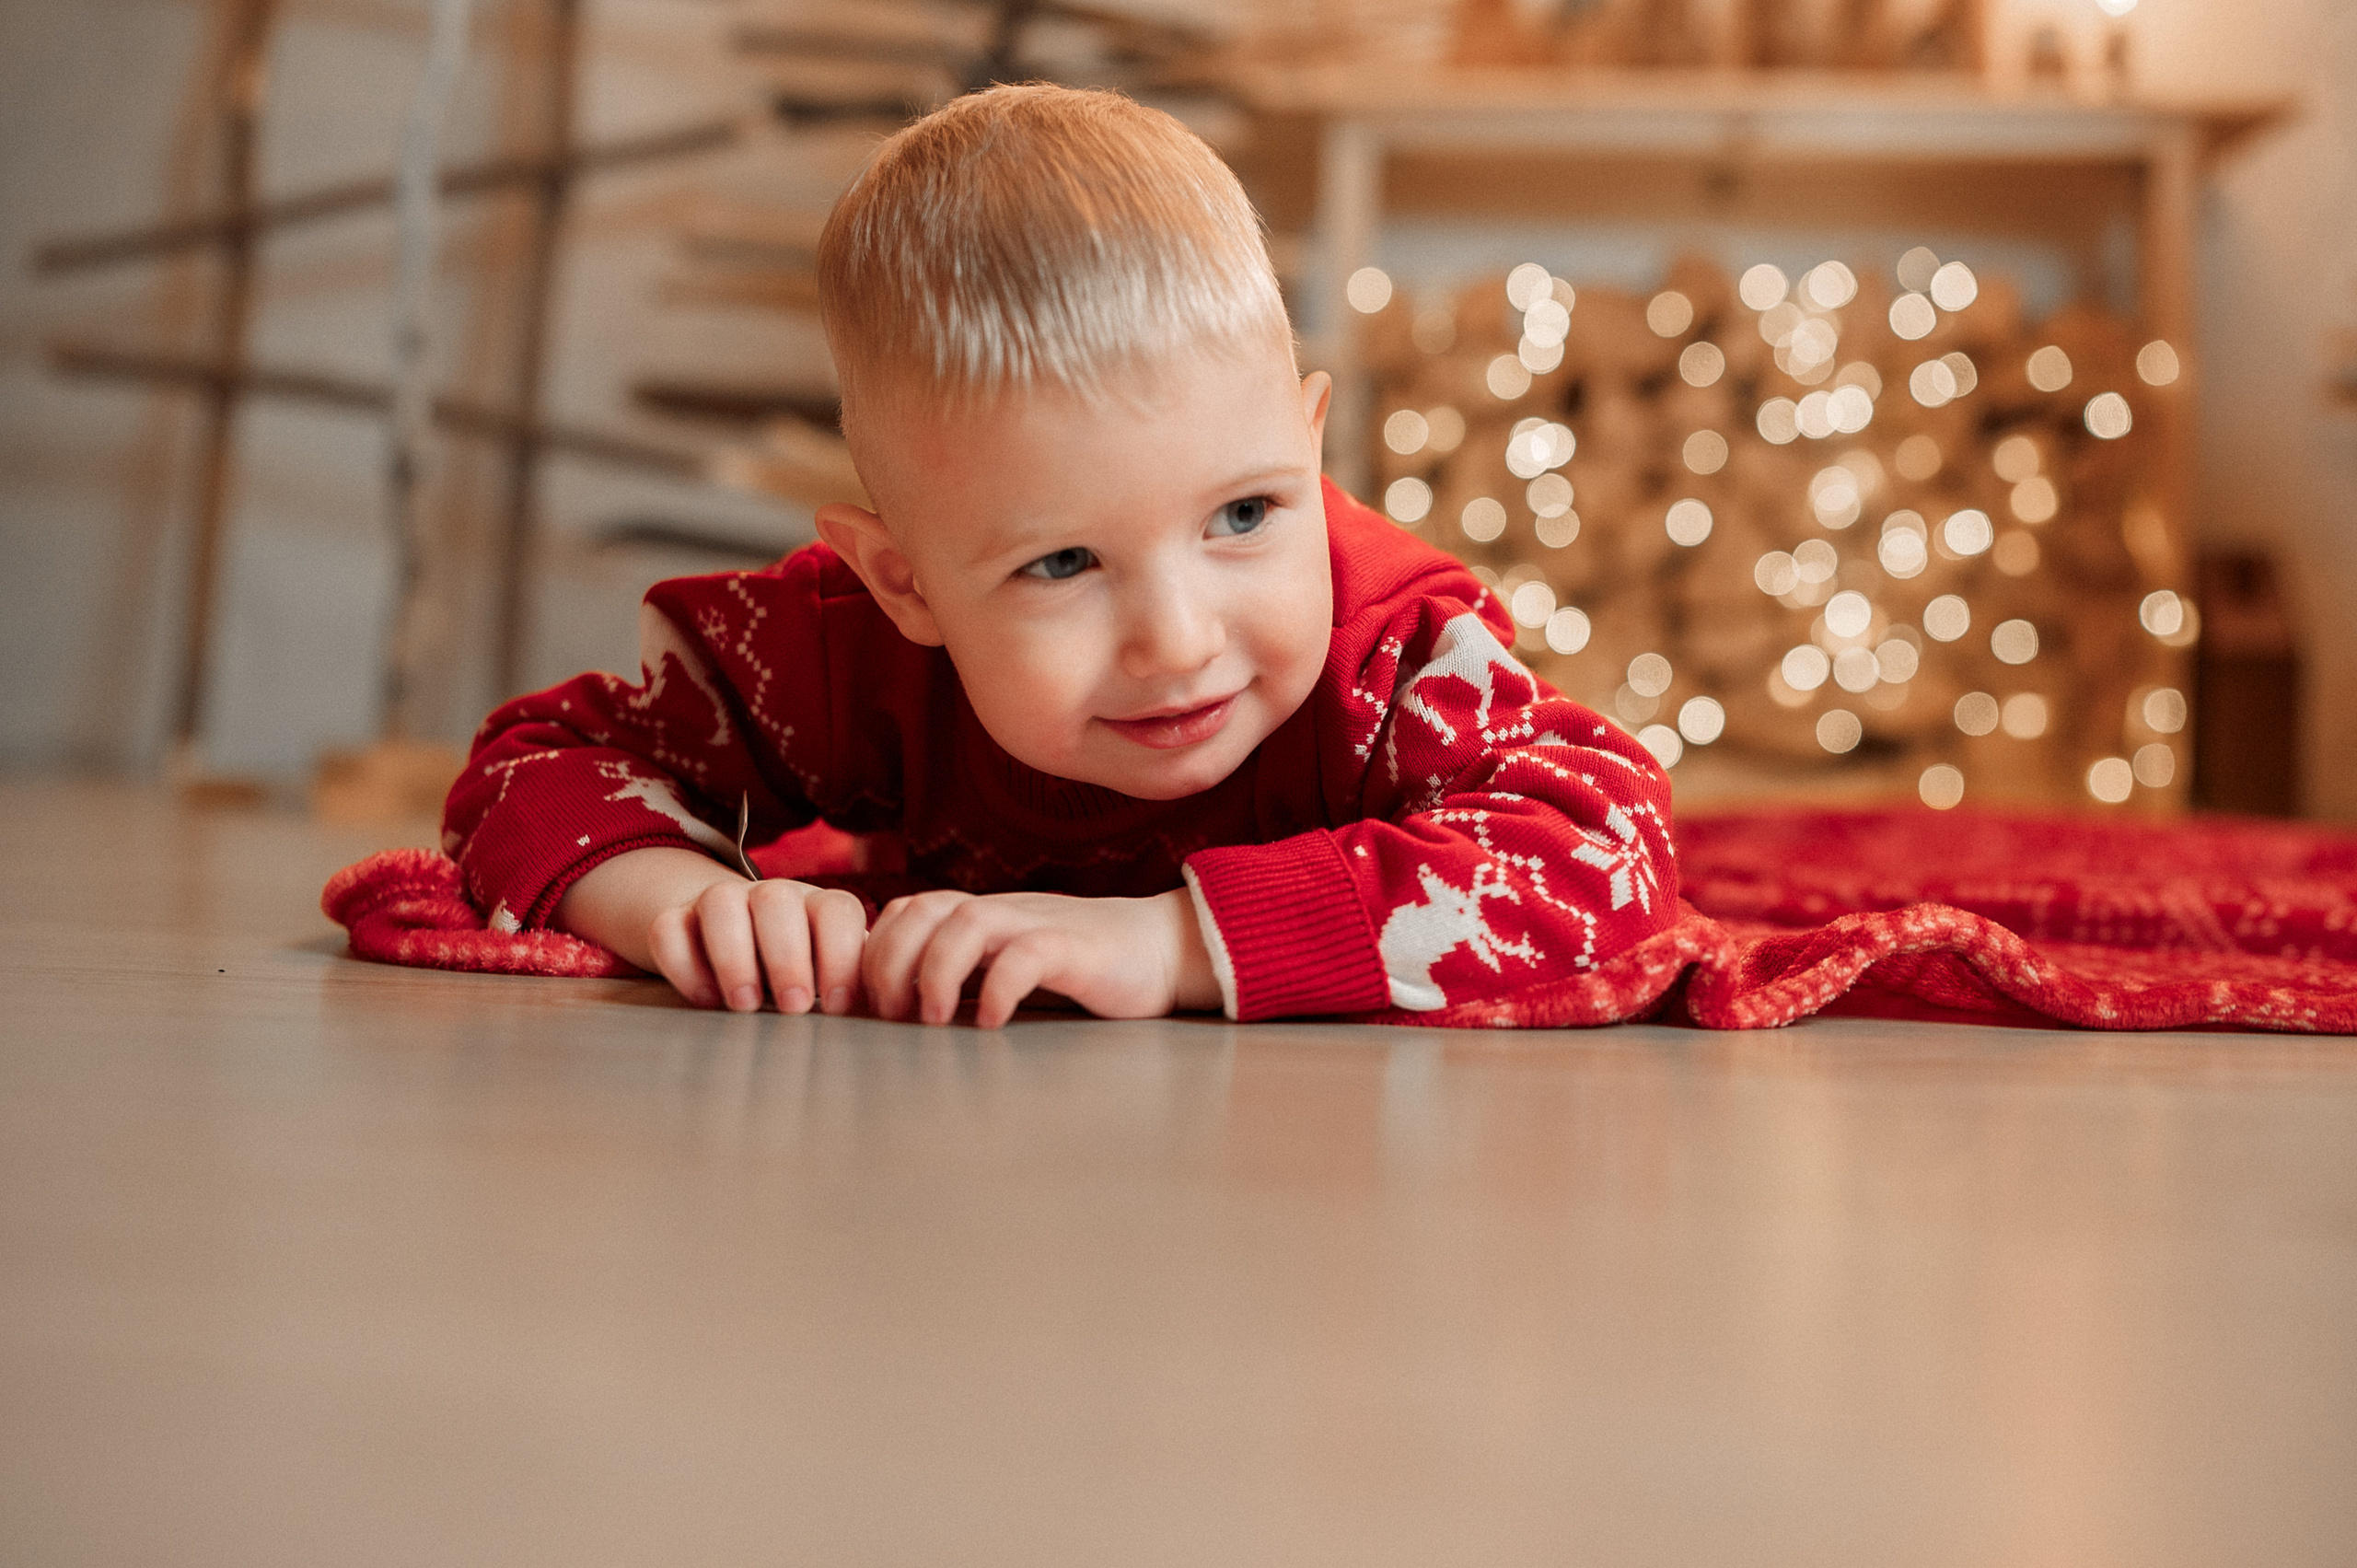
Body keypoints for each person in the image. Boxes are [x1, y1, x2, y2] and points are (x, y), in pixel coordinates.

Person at [443, 84, 1677, 1028]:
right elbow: (533, 769)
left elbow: (1612, 848)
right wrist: (682, 905)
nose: (1181, 638)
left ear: (1309, 451)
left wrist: (1174, 947)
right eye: (1064, 565)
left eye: (1245, 516)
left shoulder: (1391, 658)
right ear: (904, 583)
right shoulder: (838, 651)